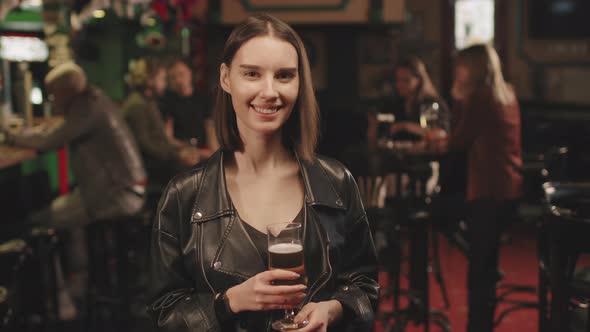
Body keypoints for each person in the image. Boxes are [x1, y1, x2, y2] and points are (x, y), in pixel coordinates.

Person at [147, 14, 379, 332]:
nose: (269, 91)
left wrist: (334, 308)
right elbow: (163, 315)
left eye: (284, 76)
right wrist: (229, 302)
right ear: (227, 79)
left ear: (300, 83)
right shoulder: (184, 194)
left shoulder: (336, 182)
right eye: (252, 74)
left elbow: (365, 287)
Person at [1, 62, 147, 318]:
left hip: (114, 196)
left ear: (67, 91)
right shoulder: (95, 100)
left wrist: (10, 135)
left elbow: (50, 141)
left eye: (53, 93)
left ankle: (60, 302)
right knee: (69, 216)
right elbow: (57, 132)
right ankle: (75, 289)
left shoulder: (85, 106)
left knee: (38, 223)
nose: (52, 99)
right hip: (124, 192)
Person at [448, 44, 523, 332]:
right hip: (509, 188)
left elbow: (458, 140)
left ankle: (477, 326)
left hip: (488, 192)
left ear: (474, 68)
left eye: (462, 66)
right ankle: (488, 269)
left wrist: (457, 100)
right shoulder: (507, 92)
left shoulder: (480, 97)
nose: (458, 71)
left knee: (477, 271)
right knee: (482, 263)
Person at [121, 57, 199, 187]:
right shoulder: (137, 104)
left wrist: (180, 151)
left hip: (157, 163)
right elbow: (145, 144)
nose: (165, 83)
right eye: (162, 79)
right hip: (150, 169)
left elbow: (160, 139)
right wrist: (177, 155)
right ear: (150, 80)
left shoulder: (148, 101)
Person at [369, 56, 449, 147]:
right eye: (398, 80)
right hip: (397, 157)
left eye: (406, 80)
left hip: (425, 156)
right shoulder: (394, 103)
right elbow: (376, 140)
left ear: (419, 80)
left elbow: (441, 134)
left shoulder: (432, 103)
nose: (400, 85)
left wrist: (405, 126)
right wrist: (373, 125)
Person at [159, 58, 218, 154]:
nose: (178, 80)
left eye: (181, 74)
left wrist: (214, 153)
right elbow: (168, 137)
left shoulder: (203, 98)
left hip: (203, 149)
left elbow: (210, 129)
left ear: (190, 73)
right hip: (181, 150)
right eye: (173, 77)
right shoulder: (167, 102)